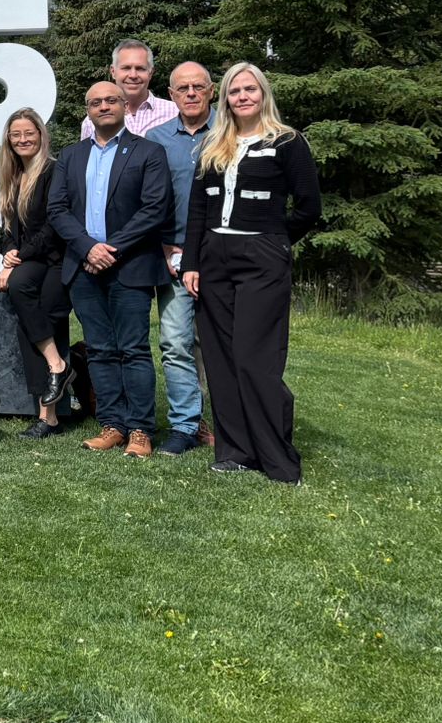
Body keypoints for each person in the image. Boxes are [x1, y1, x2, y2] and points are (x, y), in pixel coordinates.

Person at [183, 62, 321, 484]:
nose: (242, 97)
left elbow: (309, 208)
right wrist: (191, 262)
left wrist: (274, 241)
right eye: (234, 91)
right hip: (213, 257)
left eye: (250, 90)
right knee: (221, 359)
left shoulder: (288, 142)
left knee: (254, 357)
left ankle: (278, 459)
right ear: (224, 98)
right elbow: (197, 212)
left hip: (261, 254)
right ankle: (237, 452)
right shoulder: (213, 145)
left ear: (263, 94)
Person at [48, 81, 172, 457]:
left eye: (111, 100)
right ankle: (113, 425)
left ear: (124, 106)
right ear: (87, 110)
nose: (104, 106)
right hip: (83, 267)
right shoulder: (70, 156)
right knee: (100, 349)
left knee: (133, 349)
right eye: (95, 102)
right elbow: (58, 209)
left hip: (130, 267)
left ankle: (140, 430)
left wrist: (110, 249)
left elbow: (154, 209)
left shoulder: (149, 152)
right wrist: (88, 247)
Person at [142, 61, 217, 455]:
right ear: (171, 95)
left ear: (211, 90)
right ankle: (185, 424)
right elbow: (150, 202)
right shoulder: (156, 140)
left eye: (198, 87)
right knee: (175, 343)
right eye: (182, 88)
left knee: (224, 343)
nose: (190, 93)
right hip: (173, 258)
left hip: (223, 258)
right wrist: (163, 246)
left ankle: (230, 421)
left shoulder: (230, 131)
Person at [0, 107, 76, 439]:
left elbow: (53, 227)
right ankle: (55, 383)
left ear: (41, 135)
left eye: (29, 133)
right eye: (16, 134)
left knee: (42, 316)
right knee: (24, 301)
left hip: (56, 258)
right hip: (32, 259)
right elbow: (9, 230)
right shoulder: (12, 176)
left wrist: (16, 259)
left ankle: (50, 407)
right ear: (8, 141)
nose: (23, 139)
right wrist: (9, 253)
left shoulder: (54, 172)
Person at [78, 38, 177, 140]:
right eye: (126, 68)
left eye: (140, 68)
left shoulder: (174, 112)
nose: (133, 75)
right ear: (113, 72)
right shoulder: (93, 121)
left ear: (150, 73)